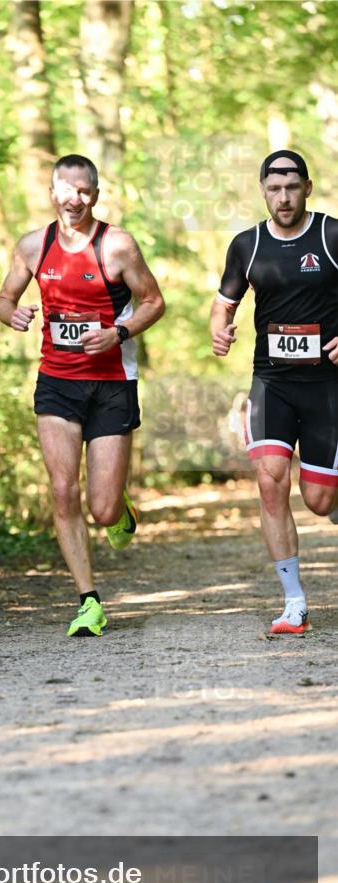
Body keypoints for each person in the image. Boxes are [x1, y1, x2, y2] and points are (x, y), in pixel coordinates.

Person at [0, 154, 165, 637]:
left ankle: (120, 509)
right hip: (57, 381)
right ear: (52, 193)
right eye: (66, 190)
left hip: (112, 384)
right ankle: (88, 600)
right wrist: (13, 315)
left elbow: (154, 302)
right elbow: (3, 298)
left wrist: (121, 332)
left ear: (95, 194)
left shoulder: (117, 246)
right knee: (62, 489)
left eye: (84, 191)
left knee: (103, 509)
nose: (75, 198)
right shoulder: (33, 246)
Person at [211, 149, 338, 635]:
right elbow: (222, 304)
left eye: (291, 187)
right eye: (274, 188)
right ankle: (294, 602)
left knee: (321, 501)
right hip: (271, 383)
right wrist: (219, 330)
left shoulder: (330, 235)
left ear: (308, 187)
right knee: (269, 481)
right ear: (263, 191)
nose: (283, 198)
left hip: (326, 387)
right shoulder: (247, 245)